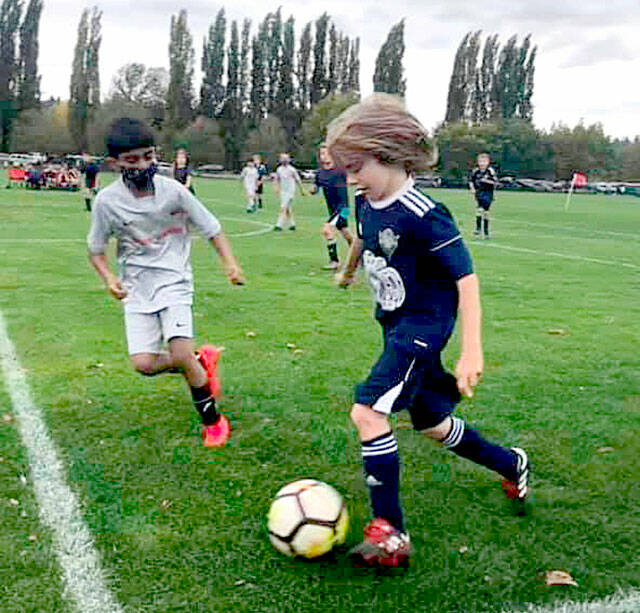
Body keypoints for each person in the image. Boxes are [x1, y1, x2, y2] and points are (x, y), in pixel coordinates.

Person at [327, 95, 530, 568]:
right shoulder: (367, 200)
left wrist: (471, 350)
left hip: (421, 331)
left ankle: (391, 533)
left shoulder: (424, 212)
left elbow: (467, 279)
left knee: (368, 413)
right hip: (395, 325)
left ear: (392, 154)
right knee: (433, 424)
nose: (349, 176)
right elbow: (364, 237)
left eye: (356, 165)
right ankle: (511, 462)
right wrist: (349, 270)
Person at [87, 118, 244, 447]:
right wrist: (109, 279)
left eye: (148, 156)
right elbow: (96, 250)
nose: (143, 165)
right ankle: (201, 363)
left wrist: (230, 264)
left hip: (174, 281)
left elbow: (212, 228)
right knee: (144, 365)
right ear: (114, 163)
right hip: (136, 289)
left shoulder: (174, 191)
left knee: (179, 350)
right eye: (132, 160)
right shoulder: (106, 202)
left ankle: (213, 421)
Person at [310, 144, 354, 270]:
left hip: (344, 208)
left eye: (326, 153)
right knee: (345, 232)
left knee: (327, 229)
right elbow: (316, 187)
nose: (324, 156)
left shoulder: (340, 171)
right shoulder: (320, 173)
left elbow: (353, 177)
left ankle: (334, 261)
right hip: (333, 210)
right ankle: (358, 253)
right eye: (322, 154)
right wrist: (313, 190)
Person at [469, 153, 499, 239]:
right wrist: (472, 189)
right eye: (480, 161)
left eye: (484, 161)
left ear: (488, 162)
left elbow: (495, 183)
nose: (482, 163)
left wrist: (486, 181)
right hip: (479, 192)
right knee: (479, 210)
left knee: (485, 212)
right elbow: (471, 181)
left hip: (488, 193)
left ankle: (485, 231)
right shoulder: (476, 171)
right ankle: (478, 229)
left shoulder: (490, 171)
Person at [273, 153, 306, 231]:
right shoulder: (279, 169)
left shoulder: (292, 169)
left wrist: (302, 189)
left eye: (286, 158)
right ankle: (292, 224)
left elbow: (298, 180)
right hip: (283, 191)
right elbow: (277, 179)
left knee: (283, 207)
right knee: (287, 209)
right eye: (282, 158)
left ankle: (279, 225)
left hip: (290, 191)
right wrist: (276, 188)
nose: (284, 160)